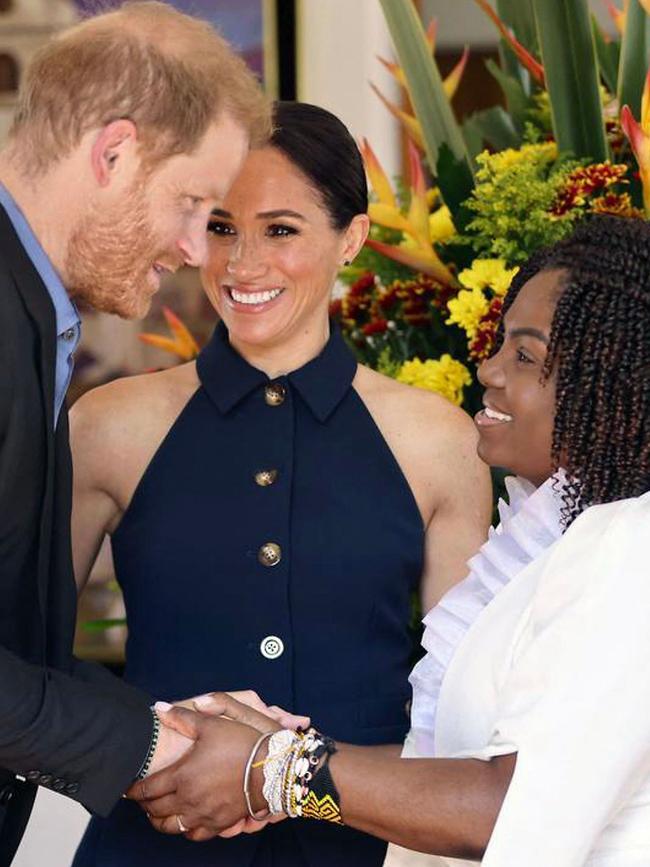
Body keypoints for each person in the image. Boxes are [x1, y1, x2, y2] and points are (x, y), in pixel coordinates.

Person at [138, 213, 650, 867]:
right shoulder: (559, 537)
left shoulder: (631, 548)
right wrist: (269, 751)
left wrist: (275, 767)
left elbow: (505, 806)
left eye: (525, 355)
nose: (488, 368)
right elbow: (458, 775)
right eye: (497, 342)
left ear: (613, 382)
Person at [69, 100, 492, 866]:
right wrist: (147, 752)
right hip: (152, 846)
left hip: (360, 853)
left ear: (352, 239)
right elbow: (18, 664)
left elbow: (460, 719)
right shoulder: (109, 426)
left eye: (281, 230)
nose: (242, 264)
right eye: (222, 227)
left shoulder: (439, 441)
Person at [0, 0, 268, 861]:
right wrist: (162, 748)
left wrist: (158, 722)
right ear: (113, 154)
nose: (198, 250)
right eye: (192, 202)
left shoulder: (35, 312)